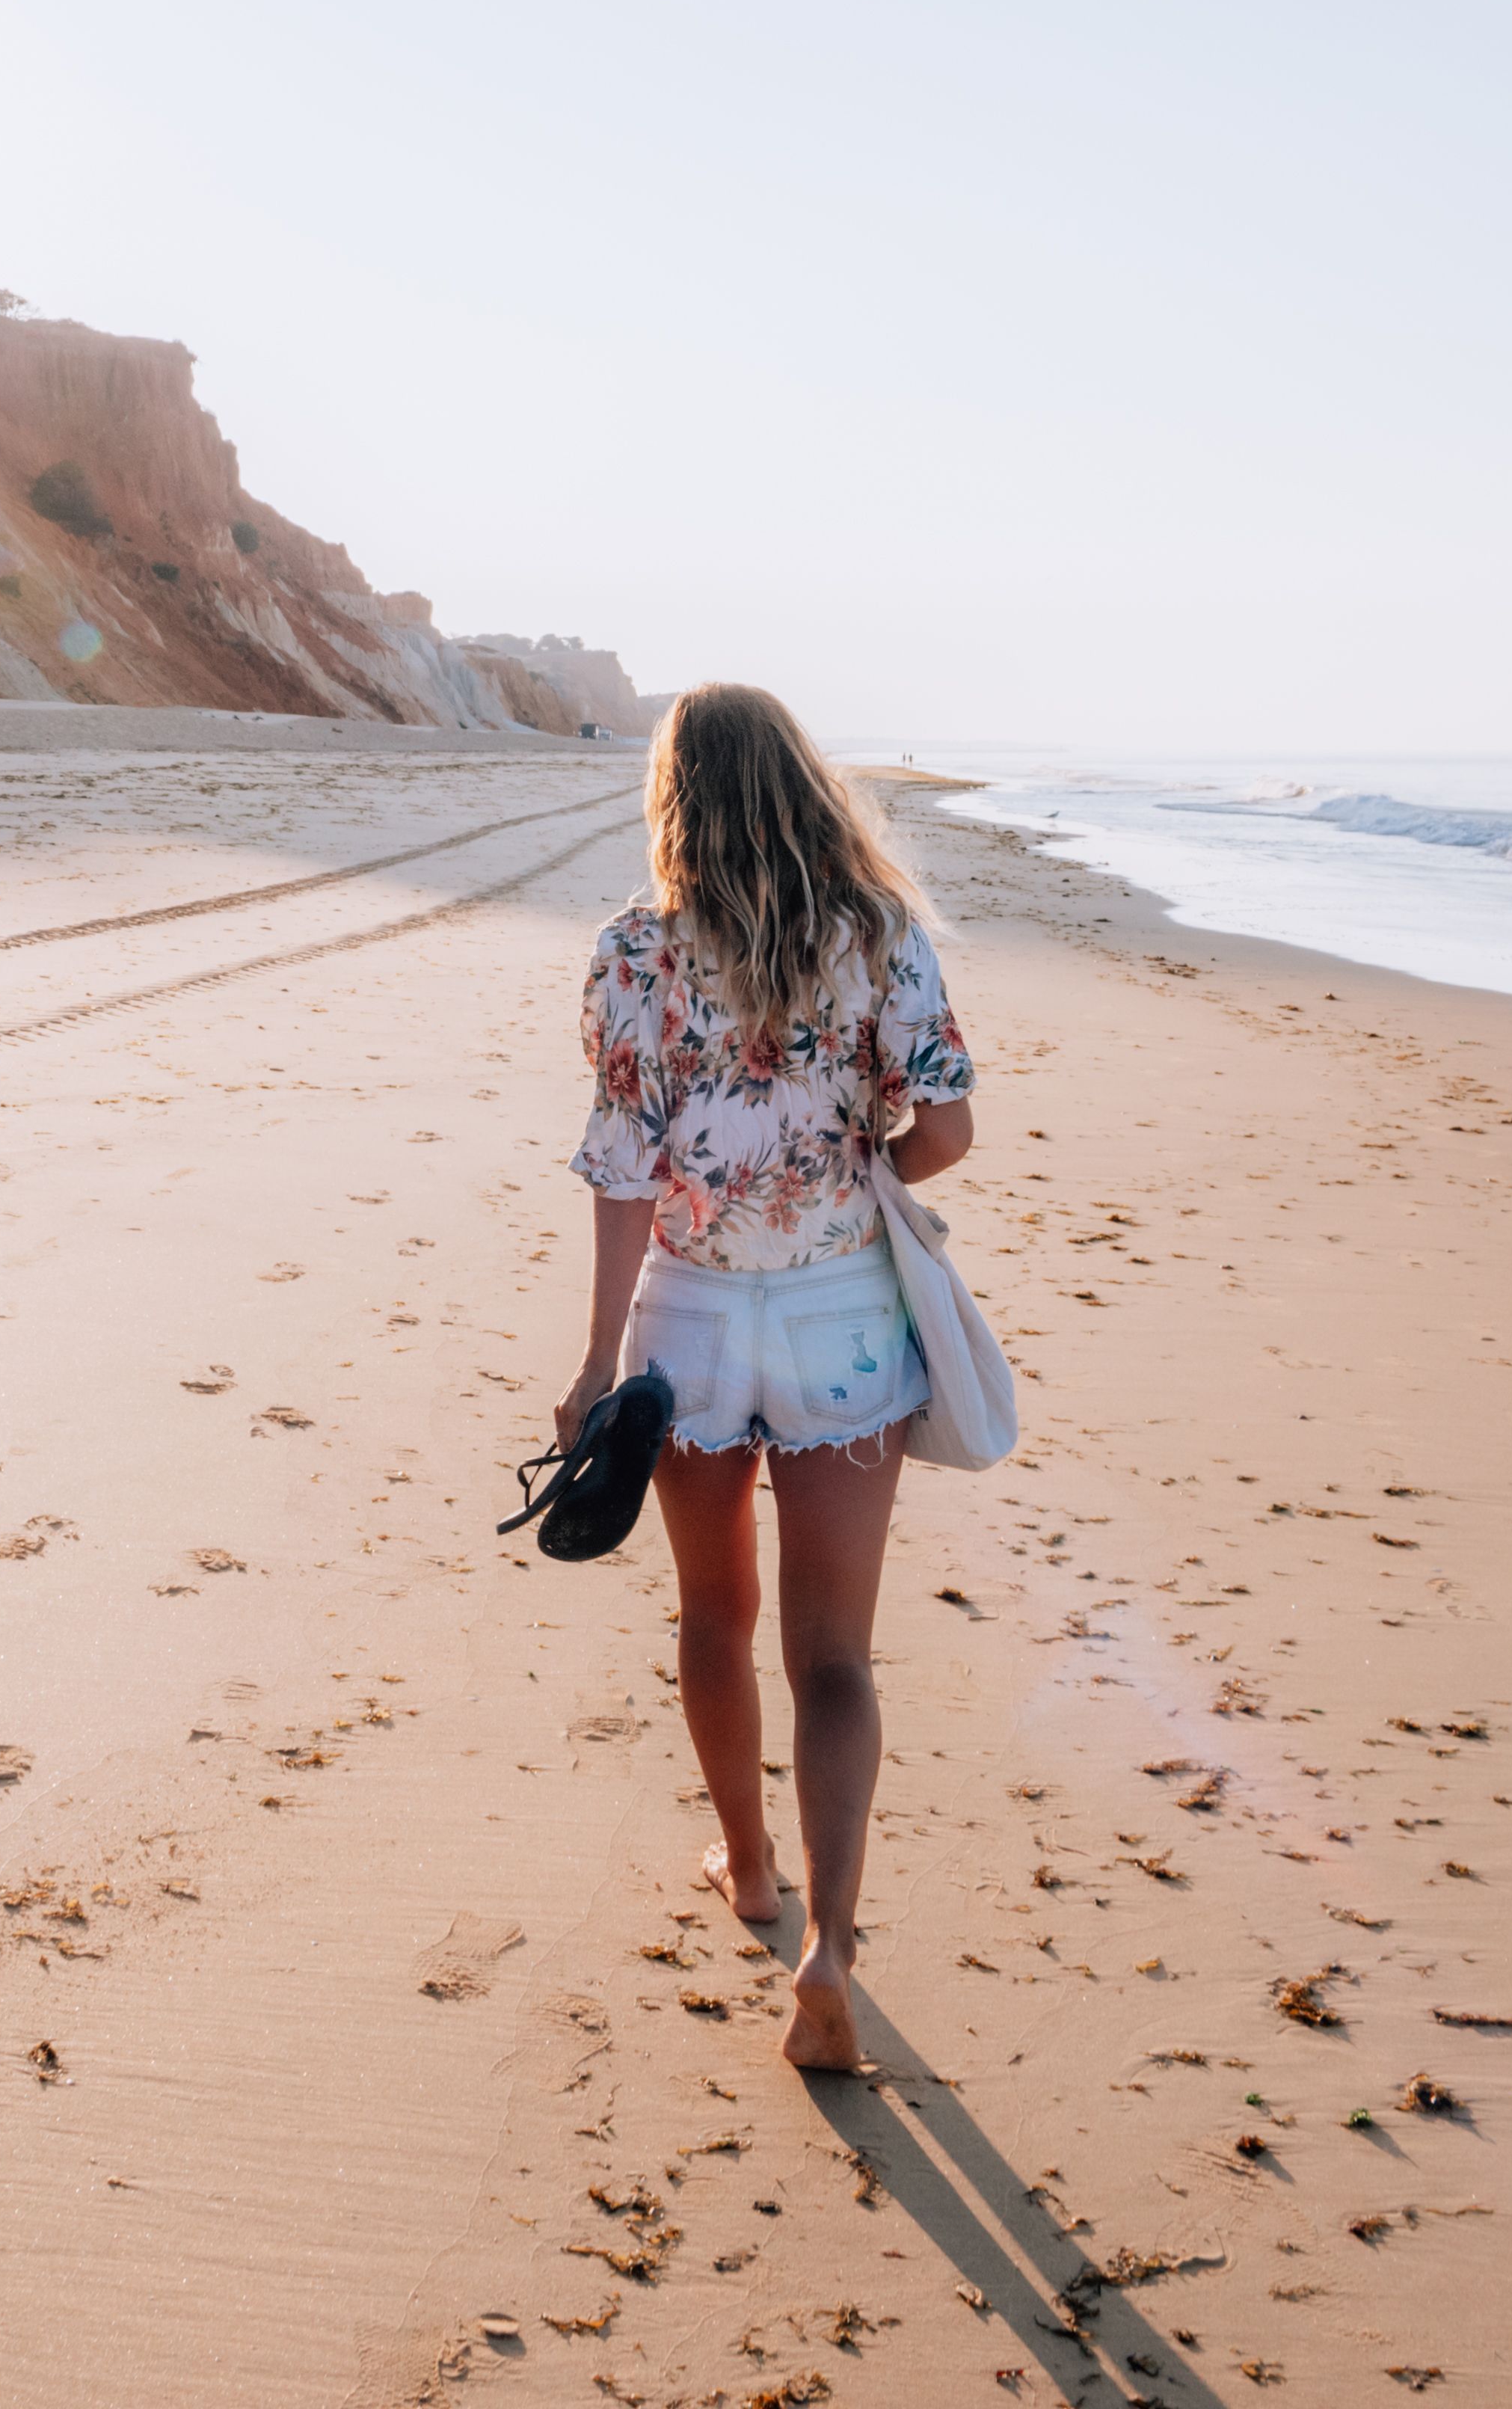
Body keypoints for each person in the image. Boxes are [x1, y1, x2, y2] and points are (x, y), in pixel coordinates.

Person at [554, 684, 977, 2069]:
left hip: (688, 1321)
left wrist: (598, 1362)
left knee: (713, 1615)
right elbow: (949, 1129)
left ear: (675, 795)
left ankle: (747, 1870)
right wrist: (870, 1170)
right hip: (847, 1315)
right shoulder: (879, 931)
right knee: (837, 1657)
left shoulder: (632, 949)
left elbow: (625, 1172)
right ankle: (834, 1947)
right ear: (802, 780)